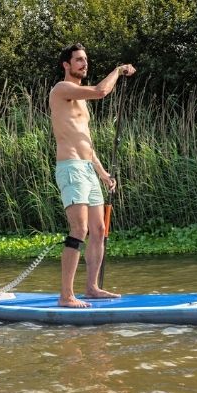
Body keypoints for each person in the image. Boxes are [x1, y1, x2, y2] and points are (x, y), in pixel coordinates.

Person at [49, 42, 136, 308]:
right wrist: (118, 70)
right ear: (67, 65)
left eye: (85, 59)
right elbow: (101, 91)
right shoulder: (62, 89)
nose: (84, 63)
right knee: (80, 229)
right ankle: (66, 296)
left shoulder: (81, 103)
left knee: (98, 230)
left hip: (87, 169)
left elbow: (86, 142)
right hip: (70, 168)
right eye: (78, 60)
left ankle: (92, 288)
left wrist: (103, 173)